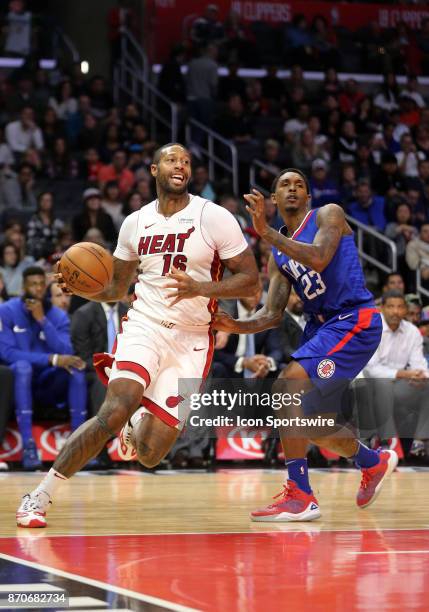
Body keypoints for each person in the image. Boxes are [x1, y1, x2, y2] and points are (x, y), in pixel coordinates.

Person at [17, 142, 259, 527]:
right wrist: (79, 288)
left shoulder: (214, 217)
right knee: (114, 409)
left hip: (193, 340)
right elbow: (115, 288)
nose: (180, 164)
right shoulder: (135, 222)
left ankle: (135, 425)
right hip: (144, 325)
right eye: (171, 159)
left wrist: (202, 290)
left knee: (149, 454)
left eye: (186, 161)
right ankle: (39, 496)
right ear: (153, 170)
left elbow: (251, 282)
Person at [214, 168, 397, 521]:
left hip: (352, 319)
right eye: (285, 185)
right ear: (274, 199)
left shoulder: (328, 215)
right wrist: (232, 324)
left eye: (300, 184)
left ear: (309, 197)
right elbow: (270, 315)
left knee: (286, 386)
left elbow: (318, 258)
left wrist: (265, 232)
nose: (293, 188)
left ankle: (300, 494)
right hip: (321, 328)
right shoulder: (277, 255)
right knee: (305, 419)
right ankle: (372, 462)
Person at [0, 266, 87, 470]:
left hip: (47, 385)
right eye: (33, 284)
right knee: (22, 367)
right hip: (19, 385)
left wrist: (42, 320)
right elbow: (7, 353)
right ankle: (29, 446)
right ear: (23, 286)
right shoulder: (7, 311)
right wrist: (52, 359)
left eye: (41, 284)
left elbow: (67, 351)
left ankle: (78, 446)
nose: (38, 288)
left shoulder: (57, 316)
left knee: (76, 369)